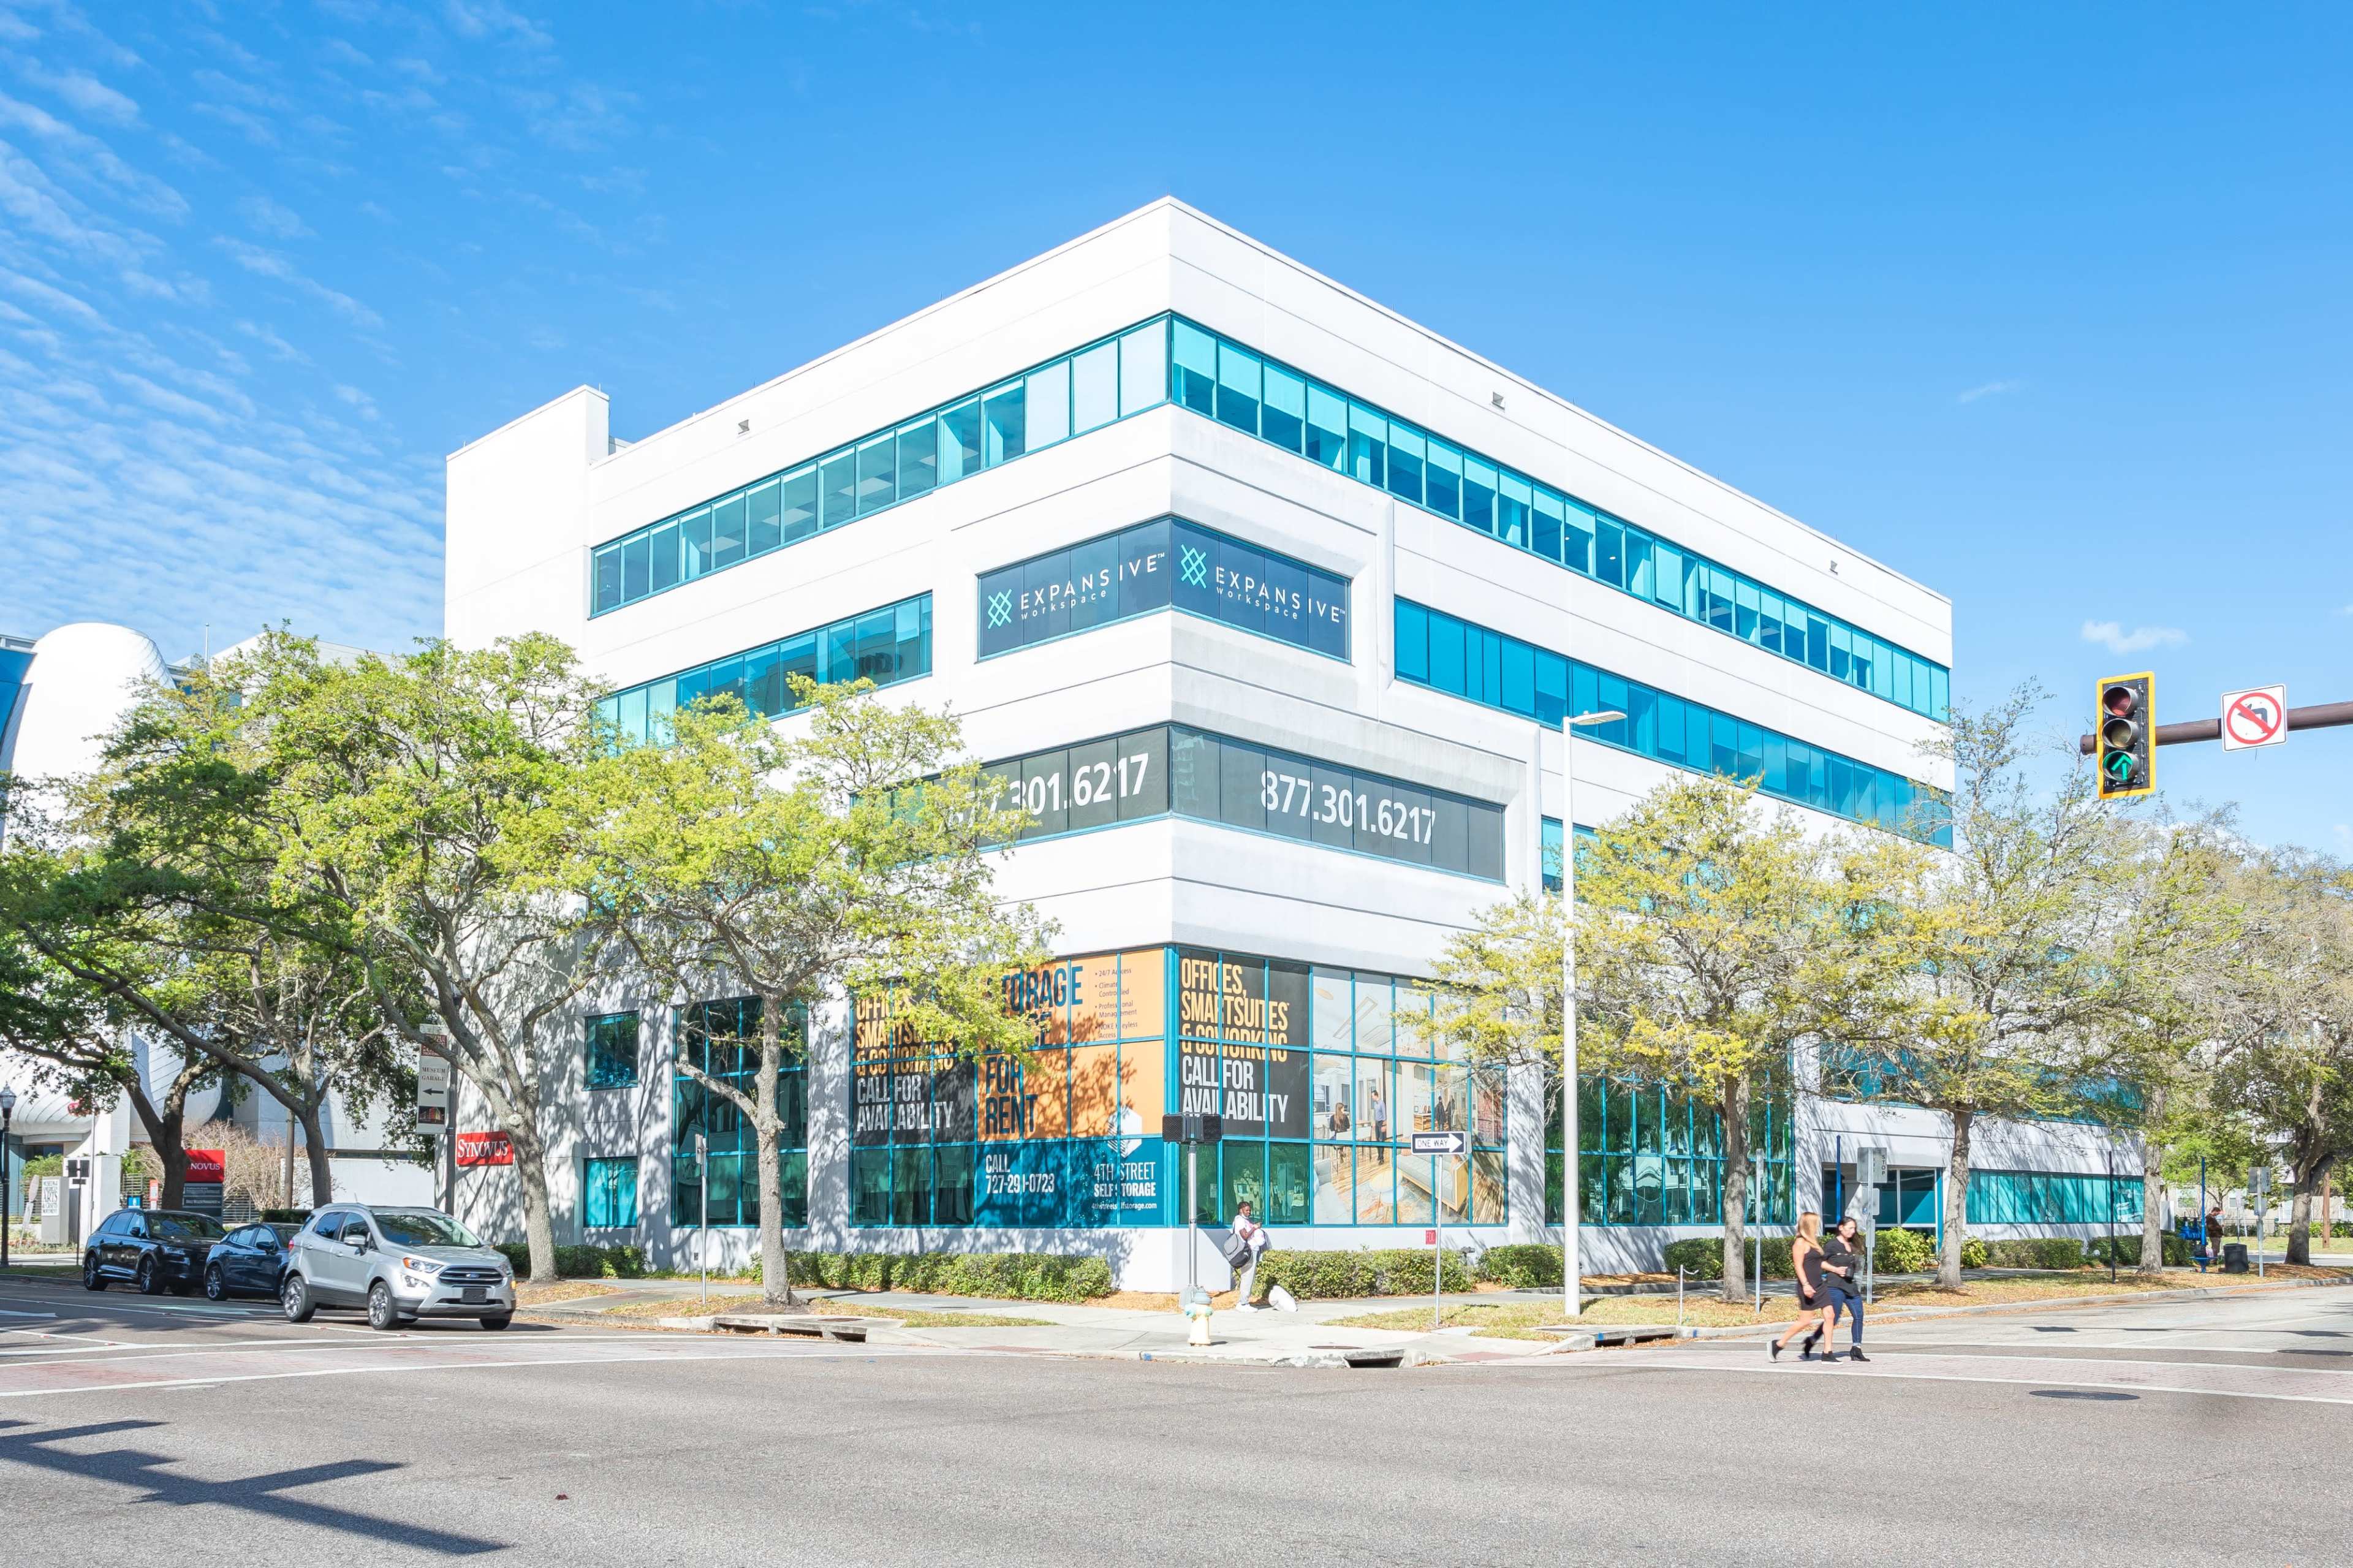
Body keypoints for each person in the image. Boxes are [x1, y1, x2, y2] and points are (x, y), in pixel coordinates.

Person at [1771, 1212, 1832, 1362]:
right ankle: (1778, 1344)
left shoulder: (1813, 1242)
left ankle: (1827, 1352)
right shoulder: (1800, 1243)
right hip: (1808, 1286)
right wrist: (1805, 1285)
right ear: (1809, 1225)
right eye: (1816, 1223)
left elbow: (1819, 1263)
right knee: (1805, 1321)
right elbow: (1798, 1266)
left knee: (1830, 1315)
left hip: (1820, 1285)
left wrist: (1836, 1269)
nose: (1818, 1226)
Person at [1809, 1214, 1870, 1363]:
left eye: (1854, 1229)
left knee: (1859, 1316)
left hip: (1851, 1286)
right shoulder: (1832, 1245)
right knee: (1832, 1318)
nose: (1852, 1231)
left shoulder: (1853, 1246)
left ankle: (1856, 1349)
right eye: (1850, 1228)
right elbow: (1820, 1263)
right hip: (1835, 1286)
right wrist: (1836, 1270)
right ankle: (1826, 1350)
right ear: (1841, 1228)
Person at [1229, 1200, 1270, 1310]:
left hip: (1252, 1251)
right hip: (1248, 1251)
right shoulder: (1239, 1220)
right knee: (1248, 1276)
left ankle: (1244, 1302)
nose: (1249, 1212)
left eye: (1250, 1210)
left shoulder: (1245, 1220)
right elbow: (1245, 1236)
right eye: (1247, 1210)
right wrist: (1255, 1227)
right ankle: (1244, 1303)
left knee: (1248, 1277)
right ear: (1241, 1210)